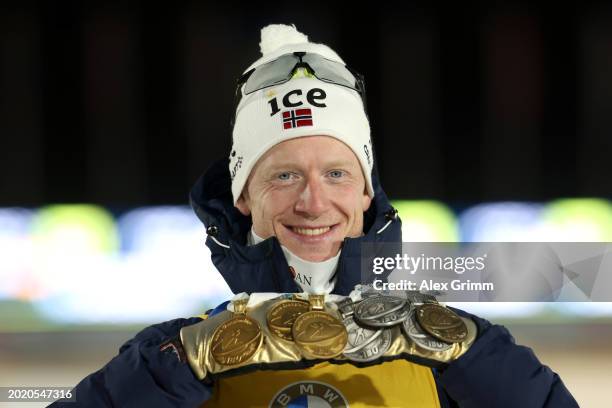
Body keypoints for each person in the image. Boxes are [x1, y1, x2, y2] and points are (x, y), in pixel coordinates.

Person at [50, 24, 579, 407]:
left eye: (336, 174)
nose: (313, 202)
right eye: (283, 176)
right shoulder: (173, 353)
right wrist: (178, 366)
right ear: (242, 198)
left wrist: (471, 353)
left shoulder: (455, 349)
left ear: (367, 194)